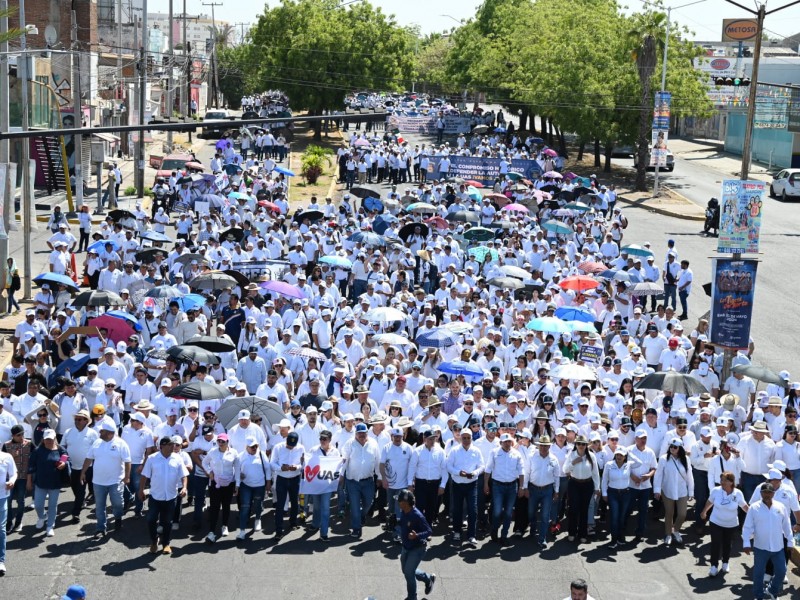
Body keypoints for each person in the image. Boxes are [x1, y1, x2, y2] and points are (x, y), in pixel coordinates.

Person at [742, 483, 795, 600]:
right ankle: (758, 595)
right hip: (760, 547)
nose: (767, 494)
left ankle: (772, 591)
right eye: (764, 492)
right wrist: (746, 543)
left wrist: (790, 542)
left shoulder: (781, 507)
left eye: (769, 492)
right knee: (758, 574)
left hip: (778, 547)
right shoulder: (754, 508)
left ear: (773, 494)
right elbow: (747, 527)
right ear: (761, 493)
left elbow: (787, 526)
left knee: (782, 571)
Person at [139, 436, 188, 555]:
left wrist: (185, 487)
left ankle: (166, 544)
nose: (173, 447)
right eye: (170, 445)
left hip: (171, 497)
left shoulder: (177, 458)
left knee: (167, 522)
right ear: (162, 446)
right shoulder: (152, 459)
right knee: (151, 520)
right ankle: (154, 541)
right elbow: (144, 476)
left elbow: (184, 475)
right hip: (155, 496)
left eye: (174, 445)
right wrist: (141, 490)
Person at [81, 421, 131, 536]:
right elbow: (89, 458)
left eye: (102, 431)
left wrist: (127, 477)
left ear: (109, 433)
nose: (99, 432)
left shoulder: (121, 444)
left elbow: (128, 461)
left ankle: (118, 517)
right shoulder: (97, 443)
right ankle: (100, 528)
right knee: (99, 506)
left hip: (115, 481)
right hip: (98, 481)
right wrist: (83, 472)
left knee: (117, 503)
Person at [700, 471, 748, 577]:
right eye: (721, 480)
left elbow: (744, 506)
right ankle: (713, 566)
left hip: (731, 524)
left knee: (727, 544)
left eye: (725, 480)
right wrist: (704, 512)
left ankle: (725, 563)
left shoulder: (738, 493)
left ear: (731, 482)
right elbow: (710, 501)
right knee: (715, 543)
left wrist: (753, 516)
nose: (722, 482)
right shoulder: (716, 491)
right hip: (716, 522)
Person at [446, 427, 485, 545]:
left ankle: (471, 535)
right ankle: (457, 532)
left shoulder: (476, 451)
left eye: (468, 438)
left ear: (471, 438)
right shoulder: (454, 450)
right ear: (461, 438)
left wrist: (475, 473)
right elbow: (449, 466)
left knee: (473, 510)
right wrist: (459, 473)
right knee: (457, 509)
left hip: (472, 484)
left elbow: (482, 466)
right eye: (464, 438)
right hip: (458, 484)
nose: (466, 440)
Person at [340, 422, 379, 539]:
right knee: (355, 506)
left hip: (368, 481)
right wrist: (341, 475)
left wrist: (380, 477)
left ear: (367, 433)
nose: (362, 436)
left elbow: (377, 461)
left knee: (369, 503)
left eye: (364, 433)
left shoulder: (373, 443)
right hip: (352, 481)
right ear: (355, 434)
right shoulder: (349, 444)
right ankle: (356, 528)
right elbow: (344, 460)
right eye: (359, 433)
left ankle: (362, 515)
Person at [484, 432, 524, 545]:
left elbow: (521, 471)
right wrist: (486, 484)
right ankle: (494, 529)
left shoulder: (516, 454)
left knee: (508, 512)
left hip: (512, 486)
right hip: (497, 486)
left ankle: (504, 535)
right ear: (501, 443)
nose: (507, 444)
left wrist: (521, 486)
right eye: (505, 442)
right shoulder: (494, 452)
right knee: (496, 511)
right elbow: (488, 469)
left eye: (509, 441)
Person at [653, 436, 693, 546]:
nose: (673, 449)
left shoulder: (686, 459)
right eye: (671, 446)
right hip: (668, 490)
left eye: (675, 447)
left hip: (682, 491)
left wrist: (691, 491)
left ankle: (675, 530)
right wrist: (657, 490)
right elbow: (658, 475)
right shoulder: (663, 459)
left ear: (680, 448)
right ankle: (668, 534)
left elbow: (690, 476)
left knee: (682, 514)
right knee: (669, 513)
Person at [27, 429, 67, 537]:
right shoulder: (37, 451)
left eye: (51, 439)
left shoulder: (61, 450)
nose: (49, 441)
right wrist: (29, 481)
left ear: (55, 438)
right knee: (38, 505)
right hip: (40, 483)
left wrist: (63, 463)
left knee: (52, 505)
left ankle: (50, 526)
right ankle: (42, 517)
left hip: (55, 483)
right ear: (43, 440)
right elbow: (31, 466)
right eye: (46, 439)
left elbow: (65, 459)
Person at [397, 489, 436, 600]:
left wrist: (417, 535)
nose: (398, 503)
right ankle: (428, 579)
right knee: (406, 571)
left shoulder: (418, 515)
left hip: (417, 548)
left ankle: (412, 597)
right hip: (406, 547)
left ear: (406, 503)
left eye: (400, 501)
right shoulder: (403, 511)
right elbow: (405, 523)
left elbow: (429, 531)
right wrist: (396, 522)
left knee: (409, 573)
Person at [202, 432, 239, 543]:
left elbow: (237, 469)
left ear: (228, 442)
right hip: (215, 483)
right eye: (219, 441)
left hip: (229, 484)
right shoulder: (213, 451)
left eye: (223, 441)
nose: (221, 443)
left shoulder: (234, 452)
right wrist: (209, 472)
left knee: (226, 505)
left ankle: (224, 525)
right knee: (215, 507)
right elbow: (204, 462)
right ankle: (212, 531)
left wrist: (237, 485)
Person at [526, 434, 560, 550]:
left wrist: (556, 491)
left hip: (547, 489)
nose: (543, 448)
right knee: (531, 512)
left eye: (546, 446)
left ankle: (542, 538)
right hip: (533, 488)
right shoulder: (532, 457)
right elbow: (527, 473)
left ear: (549, 446)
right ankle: (533, 526)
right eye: (542, 445)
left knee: (545, 515)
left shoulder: (553, 459)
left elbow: (556, 477)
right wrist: (524, 487)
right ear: (538, 445)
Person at [563, 434, 600, 543]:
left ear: (586, 445)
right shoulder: (572, 454)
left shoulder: (591, 456)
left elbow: (595, 473)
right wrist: (573, 463)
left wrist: (597, 487)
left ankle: (582, 533)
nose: (581, 446)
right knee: (573, 509)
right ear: (576, 444)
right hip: (574, 483)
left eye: (583, 444)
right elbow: (565, 469)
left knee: (584, 510)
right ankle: (572, 532)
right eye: (579, 443)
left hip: (587, 484)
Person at [235, 436, 271, 540]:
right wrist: (238, 477)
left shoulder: (262, 455)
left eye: (256, 446)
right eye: (252, 447)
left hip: (259, 485)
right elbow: (235, 470)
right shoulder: (241, 456)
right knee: (245, 507)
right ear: (246, 447)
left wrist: (268, 482)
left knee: (258, 504)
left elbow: (267, 468)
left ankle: (258, 519)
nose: (254, 448)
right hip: (246, 485)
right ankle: (242, 531)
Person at [306, 429, 340, 541]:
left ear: (330, 440)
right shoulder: (313, 450)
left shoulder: (335, 452)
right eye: (321, 438)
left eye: (325, 439)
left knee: (325, 508)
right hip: (316, 484)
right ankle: (315, 523)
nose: (322, 441)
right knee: (316, 506)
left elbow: (337, 467)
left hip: (327, 485)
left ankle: (324, 532)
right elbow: (308, 464)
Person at [270, 430, 304, 540]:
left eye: (292, 446)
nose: (290, 447)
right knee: (280, 505)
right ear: (286, 441)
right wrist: (281, 468)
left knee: (295, 502)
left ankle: (293, 522)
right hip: (282, 479)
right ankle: (278, 530)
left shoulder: (301, 448)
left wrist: (297, 467)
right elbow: (272, 463)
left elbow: (304, 463)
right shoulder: (278, 447)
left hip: (295, 478)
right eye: (289, 445)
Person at [0, 438, 18, 574]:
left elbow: (14, 473)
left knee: (1, 529)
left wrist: (11, 481)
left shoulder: (6, 457)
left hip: (2, 496)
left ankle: (0, 561)